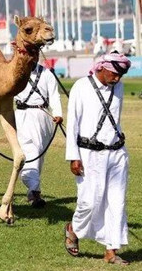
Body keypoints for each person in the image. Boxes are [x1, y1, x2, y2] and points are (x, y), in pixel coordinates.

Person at [65, 52, 131, 265]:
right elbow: (73, 124)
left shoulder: (118, 88)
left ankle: (111, 251)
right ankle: (73, 228)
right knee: (89, 202)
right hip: (89, 154)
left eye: (121, 75)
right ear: (101, 68)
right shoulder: (81, 87)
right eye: (114, 73)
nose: (117, 79)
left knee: (116, 203)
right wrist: (73, 157)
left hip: (117, 154)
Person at [14, 60, 63, 208]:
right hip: (23, 115)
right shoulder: (16, 71)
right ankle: (35, 191)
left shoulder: (47, 74)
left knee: (39, 154)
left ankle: (32, 190)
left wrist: (58, 113)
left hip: (44, 116)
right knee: (31, 151)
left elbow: (54, 95)